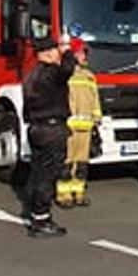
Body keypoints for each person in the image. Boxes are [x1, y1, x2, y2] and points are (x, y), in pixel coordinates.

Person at [20, 35, 71, 238]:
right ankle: (41, 219)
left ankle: (36, 213)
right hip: (51, 129)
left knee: (38, 172)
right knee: (48, 175)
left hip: (36, 129)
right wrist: (68, 50)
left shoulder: (31, 75)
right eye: (57, 50)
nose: (59, 54)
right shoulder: (50, 73)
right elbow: (68, 69)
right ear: (49, 53)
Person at [56, 35, 98, 208]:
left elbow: (94, 100)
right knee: (67, 162)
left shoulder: (89, 76)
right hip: (69, 126)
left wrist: (97, 118)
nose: (85, 56)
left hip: (86, 127)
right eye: (82, 52)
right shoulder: (64, 74)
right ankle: (63, 194)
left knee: (81, 163)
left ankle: (78, 193)